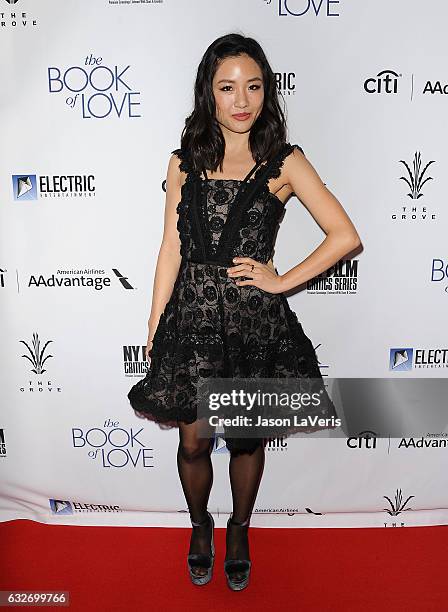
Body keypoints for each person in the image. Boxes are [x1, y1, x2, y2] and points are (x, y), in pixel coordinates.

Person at [128, 33, 361, 591]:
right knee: (193, 440)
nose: (241, 100)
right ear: (208, 94)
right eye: (228, 87)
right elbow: (171, 248)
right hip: (192, 321)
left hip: (254, 324)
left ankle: (239, 528)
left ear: (267, 92)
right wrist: (155, 323)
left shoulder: (286, 162)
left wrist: (280, 280)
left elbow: (345, 235)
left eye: (253, 86)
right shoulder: (184, 161)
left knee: (248, 440)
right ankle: (200, 523)